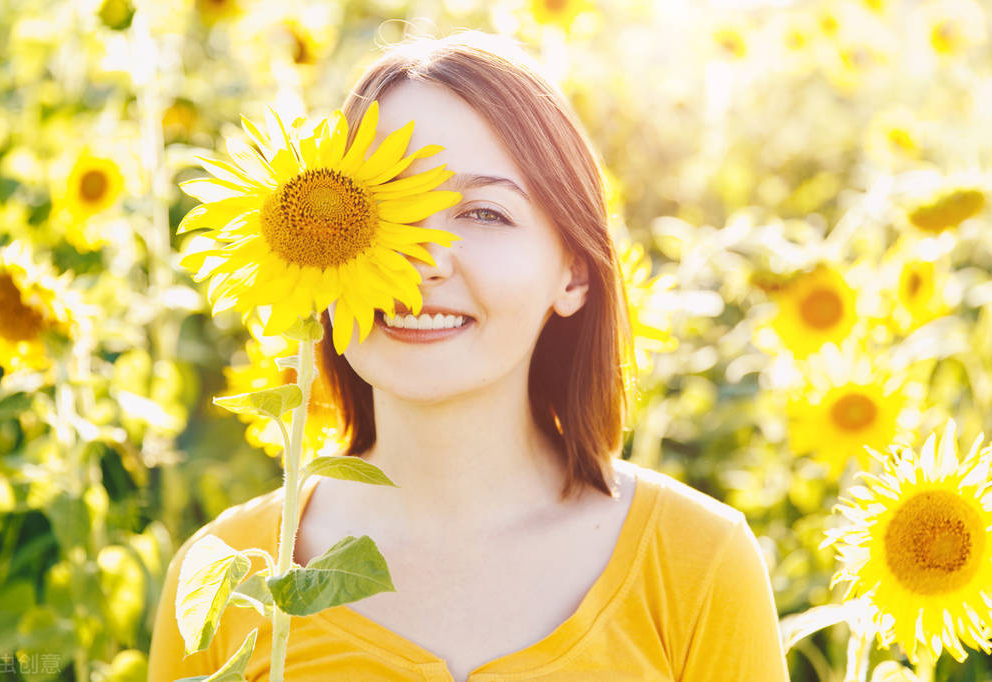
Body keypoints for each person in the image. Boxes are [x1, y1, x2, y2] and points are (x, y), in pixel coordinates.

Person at [148, 30, 789, 682]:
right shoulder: (222, 577)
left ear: (574, 272)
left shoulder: (695, 562)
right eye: (376, 208)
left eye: (482, 213)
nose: (418, 260)